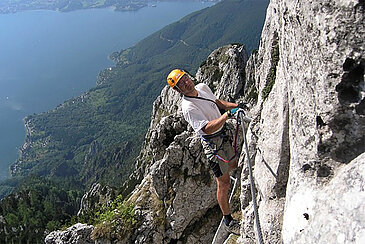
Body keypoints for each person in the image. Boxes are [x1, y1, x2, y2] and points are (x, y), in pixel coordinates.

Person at [167, 69, 245, 235]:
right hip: (213, 144)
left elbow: (218, 103)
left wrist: (236, 106)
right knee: (223, 183)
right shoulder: (188, 107)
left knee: (234, 163)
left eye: (185, 78)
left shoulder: (202, 87)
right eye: (181, 83)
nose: (186, 83)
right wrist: (227, 116)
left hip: (224, 136)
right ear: (177, 90)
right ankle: (228, 220)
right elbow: (206, 129)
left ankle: (237, 184)